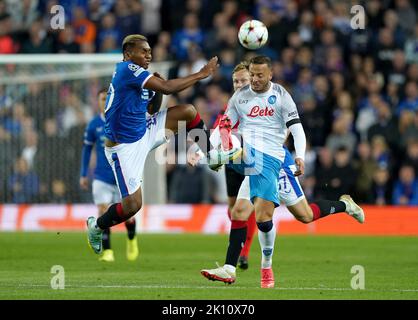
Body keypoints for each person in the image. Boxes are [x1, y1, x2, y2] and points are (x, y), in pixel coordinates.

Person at [201, 56, 365, 288]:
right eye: (251, 76)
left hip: (276, 164)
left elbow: (297, 131)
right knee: (239, 211)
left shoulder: (281, 97)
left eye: (259, 76)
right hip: (253, 162)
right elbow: (223, 126)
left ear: (270, 74)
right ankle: (230, 268)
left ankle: (344, 205)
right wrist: (204, 150)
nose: (254, 81)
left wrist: (299, 155)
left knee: (303, 216)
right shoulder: (240, 98)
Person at [86, 34, 240, 254]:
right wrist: (201, 74)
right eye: (143, 51)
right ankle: (96, 226)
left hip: (144, 131)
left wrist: (156, 91)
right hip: (124, 148)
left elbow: (152, 110)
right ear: (128, 54)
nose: (148, 55)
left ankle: (212, 156)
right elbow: (168, 87)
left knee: (188, 111)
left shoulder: (143, 77)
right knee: (132, 206)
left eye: (150, 51)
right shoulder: (125, 70)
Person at [80, 88, 138, 262]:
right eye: (102, 99)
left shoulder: (122, 120)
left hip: (122, 176)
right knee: (102, 211)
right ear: (97, 101)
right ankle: (108, 251)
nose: (104, 102)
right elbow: (86, 149)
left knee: (129, 215)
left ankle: (132, 239)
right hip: (101, 177)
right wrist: (83, 174)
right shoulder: (93, 124)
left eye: (107, 98)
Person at [212, 61, 257, 270]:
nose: (239, 84)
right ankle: (241, 244)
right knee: (233, 207)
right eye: (236, 81)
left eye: (243, 80)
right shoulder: (230, 104)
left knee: (245, 207)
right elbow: (219, 127)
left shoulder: (261, 104)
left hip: (254, 163)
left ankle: (244, 253)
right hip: (232, 162)